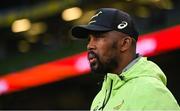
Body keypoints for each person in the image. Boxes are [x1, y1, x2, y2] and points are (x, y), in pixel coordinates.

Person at [71, 8, 179, 110]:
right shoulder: (99, 99)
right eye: (89, 39)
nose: (90, 45)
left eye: (98, 37)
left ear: (124, 44)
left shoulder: (150, 90)